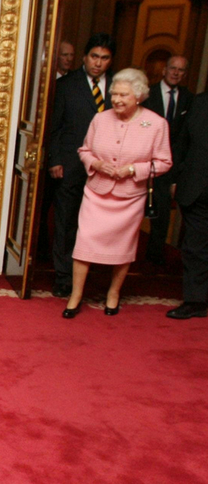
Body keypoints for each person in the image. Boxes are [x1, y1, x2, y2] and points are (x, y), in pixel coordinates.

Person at [62, 68, 171, 318]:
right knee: (84, 243)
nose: (117, 100)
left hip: (130, 198)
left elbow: (164, 162)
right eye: (114, 94)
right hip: (96, 192)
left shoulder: (156, 124)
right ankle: (75, 296)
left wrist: (133, 169)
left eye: (124, 95)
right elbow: (84, 150)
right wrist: (97, 164)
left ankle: (113, 293)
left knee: (123, 248)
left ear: (139, 96)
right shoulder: (100, 119)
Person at [47, 33, 115, 297]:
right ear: (85, 57)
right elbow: (55, 126)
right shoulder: (66, 85)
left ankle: (92, 276)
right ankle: (64, 277)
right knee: (66, 222)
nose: (98, 63)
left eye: (104, 58)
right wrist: (55, 160)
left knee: (99, 224)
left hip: (107, 167)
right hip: (71, 164)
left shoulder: (119, 86)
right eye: (94, 56)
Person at [143, 55, 192, 265]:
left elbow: (184, 139)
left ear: (185, 74)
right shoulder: (147, 93)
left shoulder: (189, 99)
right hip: (142, 161)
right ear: (164, 70)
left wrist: (177, 174)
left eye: (180, 70)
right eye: (173, 68)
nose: (176, 73)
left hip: (168, 166)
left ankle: (153, 261)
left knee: (161, 216)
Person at [167, 91, 208, 319]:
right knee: (195, 247)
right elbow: (182, 142)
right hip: (196, 188)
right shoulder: (199, 102)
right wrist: (175, 178)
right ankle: (196, 301)